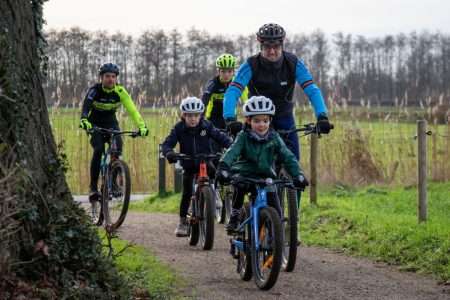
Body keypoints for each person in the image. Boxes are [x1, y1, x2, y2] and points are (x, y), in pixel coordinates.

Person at [223, 23, 332, 160]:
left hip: (284, 117)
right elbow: (233, 91)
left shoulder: (293, 63)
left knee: (294, 164)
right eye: (267, 47)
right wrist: (229, 119)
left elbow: (312, 90)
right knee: (246, 163)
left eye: (276, 47)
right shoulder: (251, 64)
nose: (272, 51)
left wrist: (322, 116)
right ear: (261, 46)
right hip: (256, 119)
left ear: (282, 45)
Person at [216, 96, 309, 232]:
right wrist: (224, 167)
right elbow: (232, 152)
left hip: (266, 176)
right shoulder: (243, 136)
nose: (261, 125)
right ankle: (235, 216)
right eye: (257, 121)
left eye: (265, 121)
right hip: (244, 173)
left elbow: (288, 156)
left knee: (276, 210)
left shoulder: (274, 138)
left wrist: (298, 174)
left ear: (270, 120)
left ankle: (275, 238)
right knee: (240, 188)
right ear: (248, 120)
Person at [161, 97, 232, 237]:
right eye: (189, 115)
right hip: (188, 164)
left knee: (214, 172)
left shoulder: (207, 126)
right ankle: (182, 222)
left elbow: (220, 137)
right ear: (183, 115)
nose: (193, 119)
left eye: (196, 115)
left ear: (201, 115)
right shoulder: (179, 128)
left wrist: (231, 146)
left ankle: (215, 193)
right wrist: (169, 152)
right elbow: (167, 144)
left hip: (205, 160)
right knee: (187, 191)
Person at [79, 63, 148, 202]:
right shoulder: (94, 90)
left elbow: (133, 110)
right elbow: (85, 108)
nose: (110, 79)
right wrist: (84, 121)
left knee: (117, 149)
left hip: (111, 123)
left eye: (113, 77)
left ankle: (115, 184)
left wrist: (142, 127)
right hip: (94, 124)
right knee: (98, 149)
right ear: (101, 78)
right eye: (107, 76)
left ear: (116, 78)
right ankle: (93, 188)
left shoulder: (120, 91)